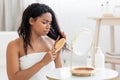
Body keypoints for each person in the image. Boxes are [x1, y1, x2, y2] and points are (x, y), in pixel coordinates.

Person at [6, 3, 66, 80]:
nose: (48, 27)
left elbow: (58, 74)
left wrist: (58, 50)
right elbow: (13, 78)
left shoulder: (51, 42)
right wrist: (43, 62)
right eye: (44, 22)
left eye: (50, 23)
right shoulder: (14, 46)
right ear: (31, 21)